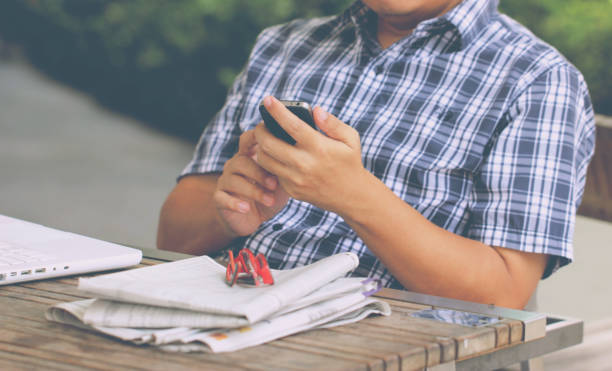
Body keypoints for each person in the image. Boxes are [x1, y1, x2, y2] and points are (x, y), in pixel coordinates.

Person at [157, 0, 595, 309]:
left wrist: (352, 194)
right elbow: (172, 240)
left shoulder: (538, 81)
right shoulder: (284, 45)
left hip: (384, 345)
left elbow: (502, 295)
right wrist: (232, 209)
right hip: (222, 316)